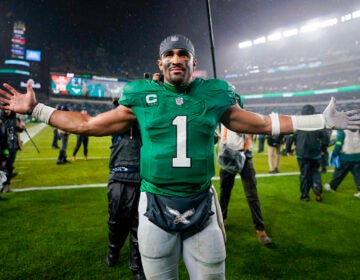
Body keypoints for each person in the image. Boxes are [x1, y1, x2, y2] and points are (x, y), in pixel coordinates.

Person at [1, 34, 359, 280]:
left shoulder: (215, 94)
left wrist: (319, 120)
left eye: (182, 55)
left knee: (213, 272)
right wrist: (38, 110)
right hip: (155, 204)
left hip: (201, 204)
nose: (176, 60)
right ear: (160, 61)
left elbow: (263, 123)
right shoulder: (141, 96)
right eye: (170, 55)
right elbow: (87, 124)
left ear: (193, 62)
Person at [106, 100, 145, 279]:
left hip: (143, 178)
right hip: (119, 176)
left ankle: (136, 264)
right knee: (116, 221)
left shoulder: (145, 120)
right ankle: (113, 249)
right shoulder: (118, 120)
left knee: (139, 225)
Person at [219, 121, 273, 246]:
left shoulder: (245, 116)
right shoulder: (224, 113)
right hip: (228, 153)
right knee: (224, 192)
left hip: (245, 156)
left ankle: (260, 229)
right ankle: (222, 221)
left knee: (252, 195)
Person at [286, 105, 330, 202]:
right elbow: (325, 138)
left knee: (304, 174)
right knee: (315, 171)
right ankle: (317, 187)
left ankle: (305, 195)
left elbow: (290, 137)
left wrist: (288, 150)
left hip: (302, 153)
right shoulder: (318, 123)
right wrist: (323, 149)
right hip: (315, 153)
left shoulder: (298, 123)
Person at [324, 127, 360, 198]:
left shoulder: (342, 131)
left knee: (339, 173)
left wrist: (334, 153)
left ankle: (332, 187)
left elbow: (338, 144)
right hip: (358, 156)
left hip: (345, 156)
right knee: (358, 175)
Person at [0, 108, 24, 192]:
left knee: (9, 166)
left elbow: (17, 131)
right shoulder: (1, 119)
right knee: (3, 166)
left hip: (13, 146)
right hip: (3, 146)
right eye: (5, 110)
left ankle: (6, 185)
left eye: (8, 110)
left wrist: (21, 128)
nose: (7, 111)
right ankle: (2, 185)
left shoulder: (14, 119)